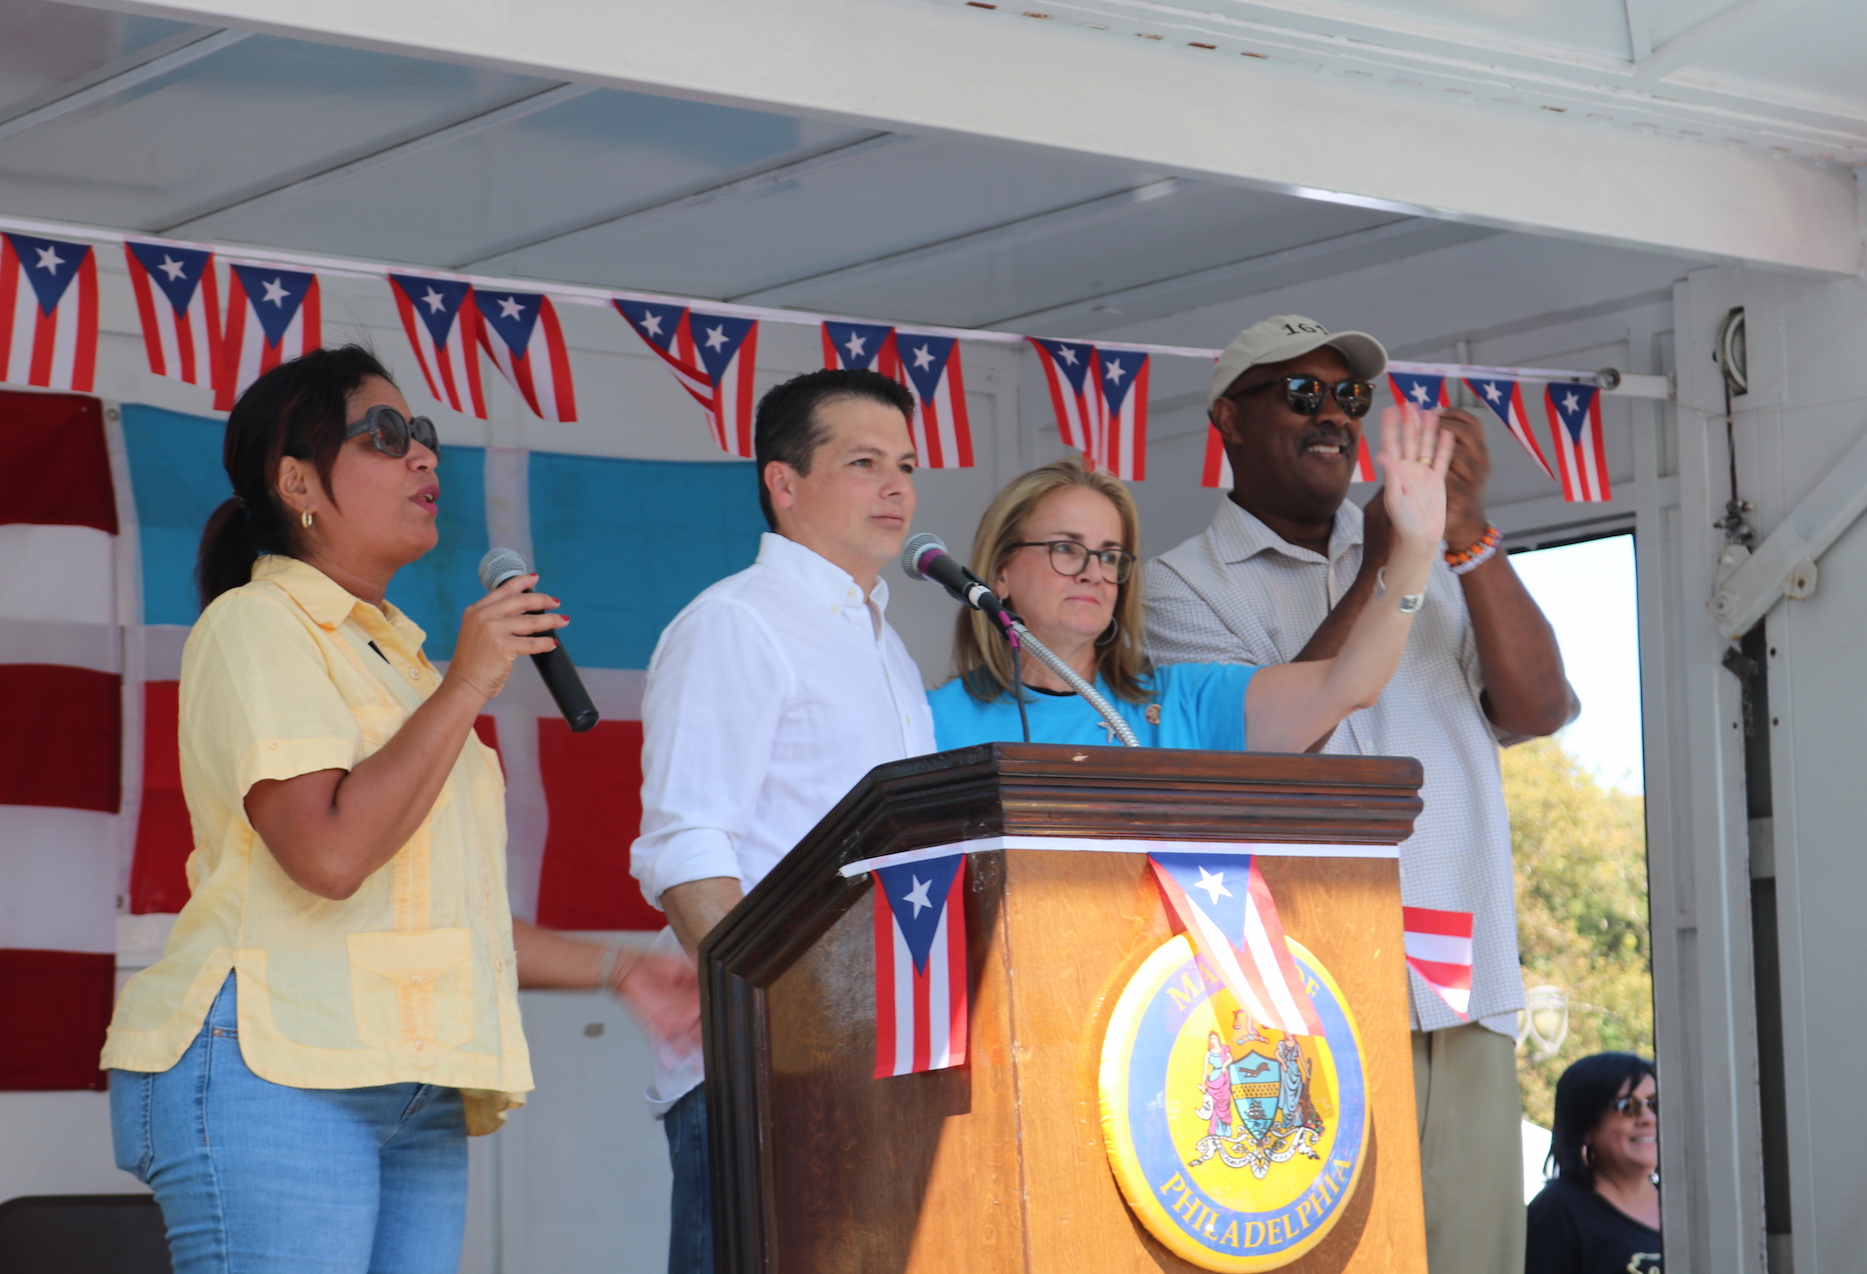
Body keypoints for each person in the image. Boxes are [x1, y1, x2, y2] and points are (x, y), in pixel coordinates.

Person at [100, 347, 695, 1274]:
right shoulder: (258, 625)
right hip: (277, 1064)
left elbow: (436, 914)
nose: (424, 456)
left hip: (409, 1077)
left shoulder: (404, 663)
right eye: (385, 435)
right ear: (298, 481)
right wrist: (466, 685)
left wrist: (622, 970)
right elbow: (331, 858)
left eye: (422, 435)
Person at [1143, 314, 1577, 1274]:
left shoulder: (1425, 540)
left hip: (1459, 979)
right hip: (1297, 993)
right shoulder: (1174, 586)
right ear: (1230, 420)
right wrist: (1397, 557)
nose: (1333, 415)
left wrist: (1464, 537)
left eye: (1350, 397)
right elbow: (1270, 744)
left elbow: (1541, 706)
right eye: (1301, 394)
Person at [630, 368, 935, 1274]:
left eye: (907, 465)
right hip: (774, 1066)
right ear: (784, 481)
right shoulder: (738, 622)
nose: (896, 487)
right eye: (864, 462)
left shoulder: (889, 645)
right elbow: (687, 847)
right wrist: (771, 1021)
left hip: (882, 1054)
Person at [928, 401, 1451, 750]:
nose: (1093, 573)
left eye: (1110, 555)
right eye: (1067, 549)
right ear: (1000, 575)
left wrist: (1415, 552)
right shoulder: (930, 719)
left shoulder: (1183, 700)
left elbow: (1348, 686)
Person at [1525, 1052, 1663, 1274]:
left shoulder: (1684, 1202)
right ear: (1586, 1126)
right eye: (1628, 1106)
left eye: (1655, 1104)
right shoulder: (1556, 1212)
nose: (1649, 1118)